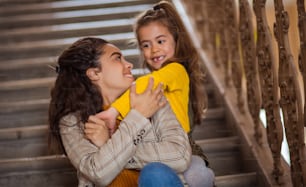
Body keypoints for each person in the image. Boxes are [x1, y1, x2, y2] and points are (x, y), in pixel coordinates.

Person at [94, 1, 215, 187]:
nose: (154, 50)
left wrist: (113, 111)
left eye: (161, 41)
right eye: (146, 45)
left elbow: (147, 83)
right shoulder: (155, 79)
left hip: (182, 148)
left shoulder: (176, 70)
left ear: (176, 39)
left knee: (198, 175)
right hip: (158, 149)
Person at [48, 37, 191, 187]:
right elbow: (97, 172)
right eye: (117, 59)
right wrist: (138, 117)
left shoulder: (151, 98)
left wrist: (107, 145)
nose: (129, 64)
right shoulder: (72, 121)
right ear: (94, 73)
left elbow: (180, 157)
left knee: (155, 173)